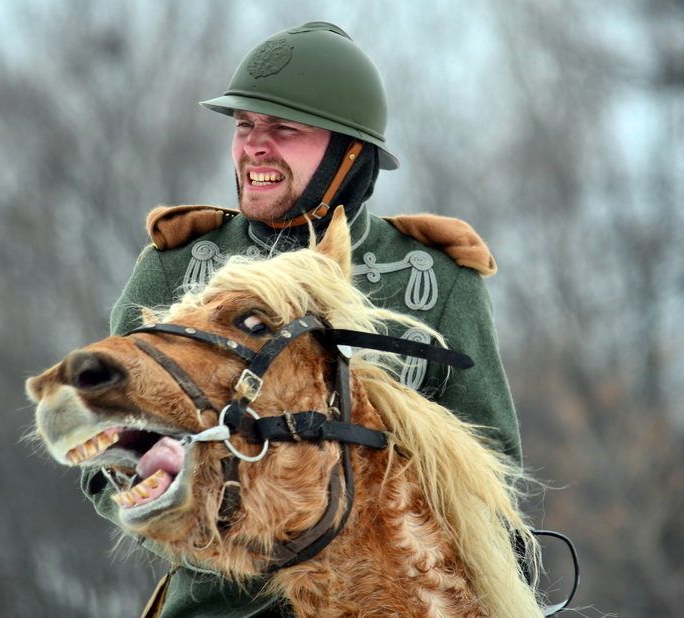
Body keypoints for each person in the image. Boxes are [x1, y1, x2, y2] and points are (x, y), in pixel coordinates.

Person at [83, 21, 523, 617]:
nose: (253, 146)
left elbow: (489, 474)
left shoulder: (438, 279)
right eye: (244, 127)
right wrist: (197, 519)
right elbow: (104, 445)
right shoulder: (178, 267)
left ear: (348, 153)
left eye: (283, 129)